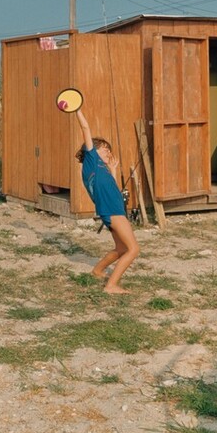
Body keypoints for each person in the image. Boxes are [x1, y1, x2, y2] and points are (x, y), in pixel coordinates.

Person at [74, 107, 140, 294]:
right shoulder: (92, 161)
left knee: (121, 248)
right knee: (133, 249)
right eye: (105, 149)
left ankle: (97, 270)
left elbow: (112, 189)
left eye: (110, 150)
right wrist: (77, 108)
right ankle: (111, 286)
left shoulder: (100, 169)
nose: (109, 153)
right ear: (92, 150)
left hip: (114, 209)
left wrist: (113, 170)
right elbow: (85, 128)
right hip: (112, 211)